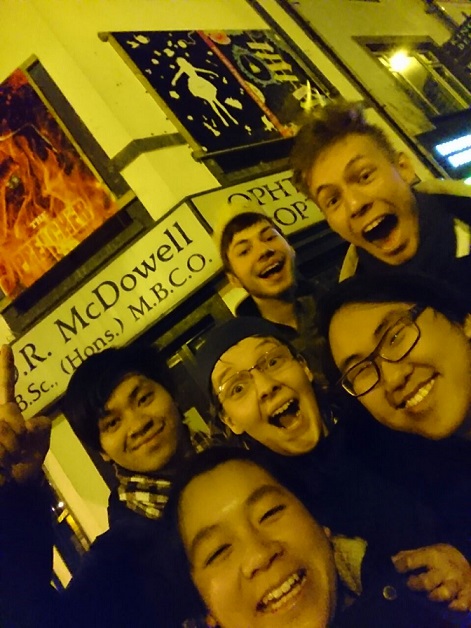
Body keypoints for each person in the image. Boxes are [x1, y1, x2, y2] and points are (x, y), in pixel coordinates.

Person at [195, 315, 471, 607]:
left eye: (272, 361)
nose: (265, 387)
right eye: (237, 388)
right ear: (230, 420)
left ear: (304, 366)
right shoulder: (270, 506)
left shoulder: (380, 413)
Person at [0, 343, 210, 627]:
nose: (138, 424)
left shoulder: (251, 462)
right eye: (112, 423)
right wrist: (17, 496)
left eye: (144, 398)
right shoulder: (118, 567)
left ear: (170, 393)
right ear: (102, 451)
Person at [165, 446, 471, 627]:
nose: (259, 554)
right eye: (218, 551)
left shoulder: (431, 595)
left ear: (322, 527)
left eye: (270, 513)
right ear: (207, 613)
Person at [318, 271, 471, 563]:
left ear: (463, 321)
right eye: (361, 370)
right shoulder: (429, 497)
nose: (393, 378)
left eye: (395, 336)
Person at [290, 99, 471, 296]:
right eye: (333, 200)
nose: (355, 204)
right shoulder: (357, 309)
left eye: (364, 176)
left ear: (403, 168)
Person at [213, 201, 326, 374]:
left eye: (269, 238)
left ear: (290, 247)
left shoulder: (336, 303)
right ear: (234, 279)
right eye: (244, 251)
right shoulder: (249, 353)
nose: (264, 250)